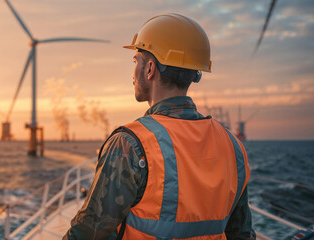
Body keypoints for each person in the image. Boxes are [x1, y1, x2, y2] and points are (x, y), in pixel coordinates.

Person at [63, 13, 255, 240]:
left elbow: (89, 234)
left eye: (136, 61)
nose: (133, 74)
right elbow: (242, 234)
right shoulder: (233, 147)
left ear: (150, 69)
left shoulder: (129, 144)